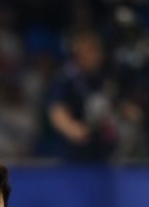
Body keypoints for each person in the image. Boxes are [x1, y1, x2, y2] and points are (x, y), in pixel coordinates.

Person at [45, 27, 132, 163]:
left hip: (102, 149)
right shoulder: (67, 77)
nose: (96, 55)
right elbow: (57, 110)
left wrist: (127, 110)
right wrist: (71, 128)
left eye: (98, 50)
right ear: (78, 54)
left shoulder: (104, 77)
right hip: (73, 153)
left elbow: (114, 102)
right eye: (90, 50)